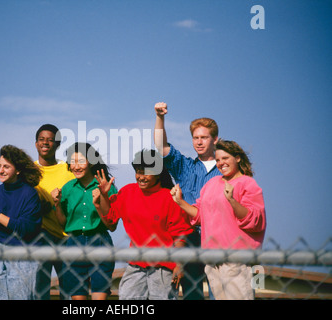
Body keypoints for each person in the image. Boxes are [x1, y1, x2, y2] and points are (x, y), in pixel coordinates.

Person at [170, 139, 266, 300]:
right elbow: (200, 215)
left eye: (225, 158)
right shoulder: (212, 184)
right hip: (212, 261)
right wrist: (180, 202)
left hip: (237, 261)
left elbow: (255, 221)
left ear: (238, 158)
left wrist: (232, 201)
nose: (221, 163)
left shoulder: (248, 184)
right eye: (218, 159)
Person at [93, 149, 194, 300]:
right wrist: (104, 195)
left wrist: (179, 265)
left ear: (158, 173)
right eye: (138, 172)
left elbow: (180, 235)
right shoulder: (128, 192)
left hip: (163, 267)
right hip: (136, 264)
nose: (141, 177)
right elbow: (110, 220)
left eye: (146, 172)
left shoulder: (169, 197)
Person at [154, 101, 221, 299]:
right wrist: (160, 117)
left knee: (221, 292)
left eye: (204, 138)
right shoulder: (184, 167)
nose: (199, 142)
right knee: (192, 294)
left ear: (215, 139)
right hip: (189, 238)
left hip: (218, 238)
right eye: (195, 138)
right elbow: (161, 146)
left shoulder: (226, 170)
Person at [51, 142, 117, 300]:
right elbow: (63, 224)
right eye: (72, 162)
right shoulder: (67, 189)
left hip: (100, 242)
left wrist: (103, 197)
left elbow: (112, 225)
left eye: (80, 161)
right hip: (73, 244)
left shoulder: (107, 187)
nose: (75, 166)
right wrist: (57, 204)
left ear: (91, 162)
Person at [0, 145, 44, 300]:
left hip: (23, 254)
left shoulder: (30, 194)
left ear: (18, 170)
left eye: (6, 167)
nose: (0, 170)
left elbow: (24, 228)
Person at [33, 124, 75, 300]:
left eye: (50, 140)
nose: (45, 143)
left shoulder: (68, 170)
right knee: (39, 287)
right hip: (40, 237)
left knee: (69, 288)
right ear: (36, 144)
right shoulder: (28, 172)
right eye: (42, 140)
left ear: (57, 144)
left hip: (65, 238)